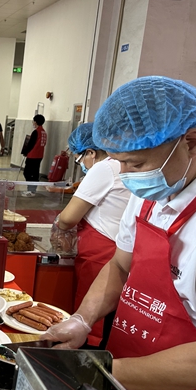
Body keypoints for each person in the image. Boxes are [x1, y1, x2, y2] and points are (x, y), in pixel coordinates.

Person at [42, 76, 196, 390]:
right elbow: (119, 265)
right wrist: (83, 319)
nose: (126, 177)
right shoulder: (162, 182)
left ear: (192, 143)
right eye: (119, 163)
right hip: (127, 373)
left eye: (136, 163)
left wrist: (95, 372)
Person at [50, 122, 130, 347]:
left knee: (90, 322)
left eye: (80, 158)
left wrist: (58, 228)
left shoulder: (105, 167)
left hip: (101, 254)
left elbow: (68, 217)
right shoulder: (120, 166)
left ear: (91, 152)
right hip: (115, 248)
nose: (82, 164)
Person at [21, 114, 47, 197]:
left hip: (32, 156)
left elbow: (31, 144)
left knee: (28, 173)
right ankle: (32, 190)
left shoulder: (36, 132)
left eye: (33, 120)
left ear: (35, 121)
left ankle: (31, 190)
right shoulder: (44, 132)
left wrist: (25, 151)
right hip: (39, 156)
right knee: (35, 173)